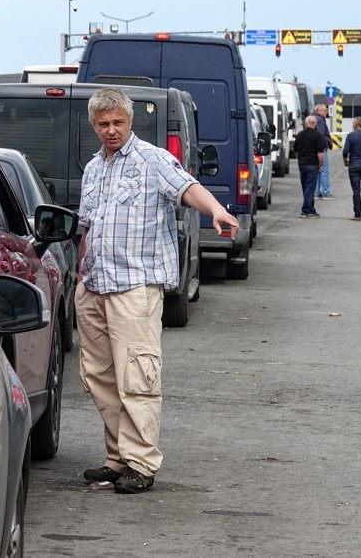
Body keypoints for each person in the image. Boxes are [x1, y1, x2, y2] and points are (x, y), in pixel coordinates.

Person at [76, 87, 239, 494]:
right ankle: (117, 458)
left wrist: (217, 210)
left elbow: (188, 188)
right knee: (97, 376)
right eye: (103, 124)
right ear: (94, 126)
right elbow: (87, 226)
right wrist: (78, 274)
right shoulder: (93, 169)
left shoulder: (153, 160)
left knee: (137, 376)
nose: (111, 130)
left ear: (130, 122)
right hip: (94, 286)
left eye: (118, 122)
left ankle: (141, 463)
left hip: (134, 287)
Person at [294, 115, 325, 218]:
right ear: (315, 124)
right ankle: (306, 210)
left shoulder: (300, 135)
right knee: (310, 188)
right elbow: (320, 154)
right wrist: (320, 165)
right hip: (312, 164)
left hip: (302, 164)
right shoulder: (317, 136)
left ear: (306, 123)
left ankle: (311, 209)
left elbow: (295, 150)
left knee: (306, 188)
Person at [314, 104, 333, 198]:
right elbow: (321, 134)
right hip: (321, 148)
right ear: (319, 111)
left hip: (314, 148)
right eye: (324, 110)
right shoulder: (320, 120)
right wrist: (328, 143)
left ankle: (316, 192)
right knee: (324, 170)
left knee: (317, 170)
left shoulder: (312, 119)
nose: (326, 112)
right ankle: (325, 191)